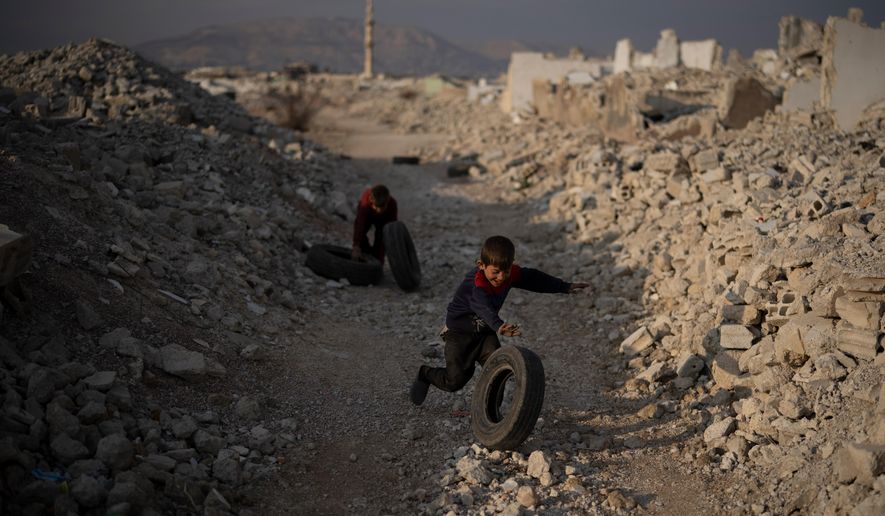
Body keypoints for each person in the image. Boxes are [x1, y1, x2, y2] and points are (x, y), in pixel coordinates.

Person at [409, 235, 589, 405]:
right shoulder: (476, 283)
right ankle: (425, 374)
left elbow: (534, 279)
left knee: (497, 371)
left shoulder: (507, 274)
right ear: (481, 265)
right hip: (459, 334)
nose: (501, 277)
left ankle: (493, 421)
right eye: (495, 272)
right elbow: (480, 305)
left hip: (485, 334)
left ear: (512, 265)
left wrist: (564, 286)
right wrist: (499, 325)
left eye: (506, 271)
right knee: (455, 380)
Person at [352, 184, 398, 263]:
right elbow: (359, 225)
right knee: (361, 235)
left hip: (383, 219)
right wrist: (356, 246)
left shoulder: (392, 204)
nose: (378, 211)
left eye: (382, 208)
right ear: (371, 200)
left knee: (382, 238)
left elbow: (392, 228)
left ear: (388, 201)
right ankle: (365, 254)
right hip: (369, 215)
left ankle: (378, 261)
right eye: (376, 207)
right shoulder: (365, 204)